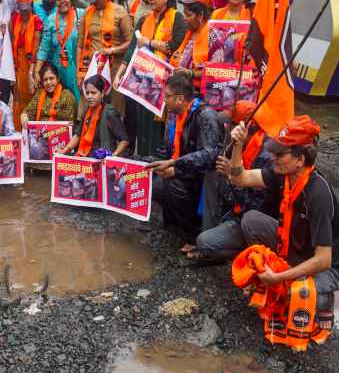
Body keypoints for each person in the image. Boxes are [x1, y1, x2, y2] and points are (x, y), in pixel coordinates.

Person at [222, 115, 339, 312]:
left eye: (280, 154)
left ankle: (319, 295)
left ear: (300, 160)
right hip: (294, 252)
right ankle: (284, 273)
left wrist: (277, 278)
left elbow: (324, 259)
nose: (273, 158)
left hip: (328, 268)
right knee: (251, 220)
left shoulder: (318, 193)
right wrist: (238, 144)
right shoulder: (282, 173)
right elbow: (240, 178)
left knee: (293, 296)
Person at [147, 74, 223, 249]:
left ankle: (193, 235)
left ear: (180, 99)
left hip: (203, 179)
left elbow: (210, 155)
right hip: (183, 170)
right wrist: (148, 163)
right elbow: (166, 151)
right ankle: (174, 228)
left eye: (167, 96)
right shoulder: (175, 116)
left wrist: (176, 167)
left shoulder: (206, 116)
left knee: (170, 184)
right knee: (152, 179)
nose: (164, 100)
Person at [193, 101, 273, 261]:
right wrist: (175, 164)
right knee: (213, 172)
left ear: (246, 128)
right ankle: (212, 231)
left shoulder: (266, 157)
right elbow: (211, 156)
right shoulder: (241, 143)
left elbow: (253, 207)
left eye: (231, 124)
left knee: (204, 242)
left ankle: (244, 250)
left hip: (253, 219)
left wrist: (231, 176)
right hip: (238, 208)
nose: (227, 128)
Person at [116, 0, 188, 151]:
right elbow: (133, 48)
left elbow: (174, 47)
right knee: (142, 124)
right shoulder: (143, 20)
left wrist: (148, 42)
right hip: (142, 82)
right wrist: (120, 73)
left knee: (160, 129)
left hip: (165, 84)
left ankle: (157, 164)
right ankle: (142, 162)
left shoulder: (177, 18)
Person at [76, 0, 133, 116]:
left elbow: (131, 43)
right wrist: (79, 73)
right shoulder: (87, 14)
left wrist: (112, 50)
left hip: (114, 70)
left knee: (114, 111)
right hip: (92, 70)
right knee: (88, 110)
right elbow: (80, 45)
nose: (93, 3)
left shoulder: (120, 13)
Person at [57, 75, 130, 158]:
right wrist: (65, 150)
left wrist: (113, 156)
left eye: (93, 93)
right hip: (85, 159)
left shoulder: (109, 112)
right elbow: (78, 135)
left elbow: (124, 140)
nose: (89, 97)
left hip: (102, 163)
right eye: (87, 93)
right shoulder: (87, 111)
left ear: (102, 94)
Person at [34, 0, 85, 105]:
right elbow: (44, 48)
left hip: (78, 70)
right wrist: (36, 71)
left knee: (79, 106)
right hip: (58, 72)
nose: (63, 1)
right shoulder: (51, 20)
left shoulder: (81, 15)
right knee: (60, 105)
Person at [7, 0, 44, 130]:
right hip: (17, 66)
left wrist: (32, 72)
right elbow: (10, 42)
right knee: (17, 100)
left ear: (31, 5)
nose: (23, 11)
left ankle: (31, 133)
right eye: (21, 7)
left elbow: (36, 48)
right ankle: (16, 131)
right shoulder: (14, 18)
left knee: (31, 98)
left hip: (31, 66)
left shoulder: (37, 21)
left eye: (26, 7)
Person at [171, 0, 216, 91]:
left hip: (199, 94)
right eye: (184, 14)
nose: (185, 19)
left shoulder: (214, 37)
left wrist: (191, 73)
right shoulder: (190, 32)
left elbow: (216, 72)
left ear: (200, 16)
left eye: (188, 15)